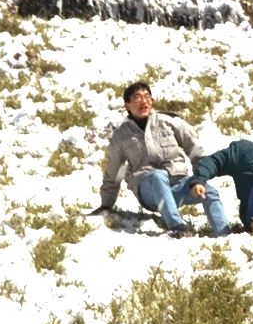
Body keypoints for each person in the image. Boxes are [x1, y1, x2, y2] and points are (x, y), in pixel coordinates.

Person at [97, 81, 229, 238]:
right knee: (157, 176)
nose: (143, 101)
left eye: (147, 97)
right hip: (148, 190)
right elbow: (114, 172)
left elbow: (196, 151)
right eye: (137, 98)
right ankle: (177, 227)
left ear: (152, 101)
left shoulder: (170, 122)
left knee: (211, 192)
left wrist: (200, 180)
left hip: (178, 184)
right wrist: (106, 204)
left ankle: (224, 235)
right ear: (127, 105)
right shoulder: (121, 135)